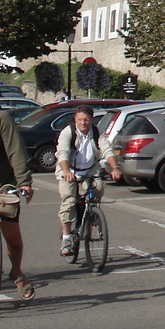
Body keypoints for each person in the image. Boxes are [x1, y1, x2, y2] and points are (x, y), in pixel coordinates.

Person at [56, 105, 121, 257]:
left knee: (98, 187)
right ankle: (66, 238)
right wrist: (66, 171)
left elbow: (107, 150)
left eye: (86, 120)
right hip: (69, 170)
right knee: (68, 201)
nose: (83, 123)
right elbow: (62, 153)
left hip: (90, 169)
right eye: (80, 120)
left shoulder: (97, 132)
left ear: (91, 120)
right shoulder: (68, 132)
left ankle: (91, 215)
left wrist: (115, 168)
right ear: (75, 119)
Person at [0, 110, 35, 300]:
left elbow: (15, 150)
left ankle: (16, 272)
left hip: (3, 188)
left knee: (13, 240)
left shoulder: (2, 119)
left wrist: (24, 182)